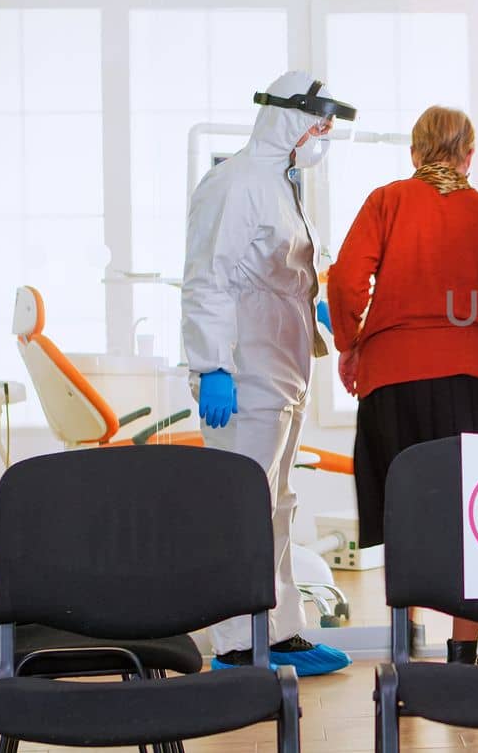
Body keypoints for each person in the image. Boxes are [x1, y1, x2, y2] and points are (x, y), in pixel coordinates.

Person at [326, 105, 478, 666]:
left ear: (415, 153)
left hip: (393, 381)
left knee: (405, 514)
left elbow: (347, 279)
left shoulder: (386, 202)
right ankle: (462, 654)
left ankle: (404, 645)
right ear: (469, 156)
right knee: (477, 518)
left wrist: (351, 345)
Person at [183, 70, 355, 676]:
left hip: (281, 372)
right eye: (320, 122)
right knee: (241, 507)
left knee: (274, 504)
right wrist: (212, 367)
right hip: (245, 374)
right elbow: (208, 279)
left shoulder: (281, 184)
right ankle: (236, 643)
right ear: (287, 117)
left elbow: (285, 270)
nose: (324, 134)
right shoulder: (236, 184)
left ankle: (277, 632)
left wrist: (323, 303)